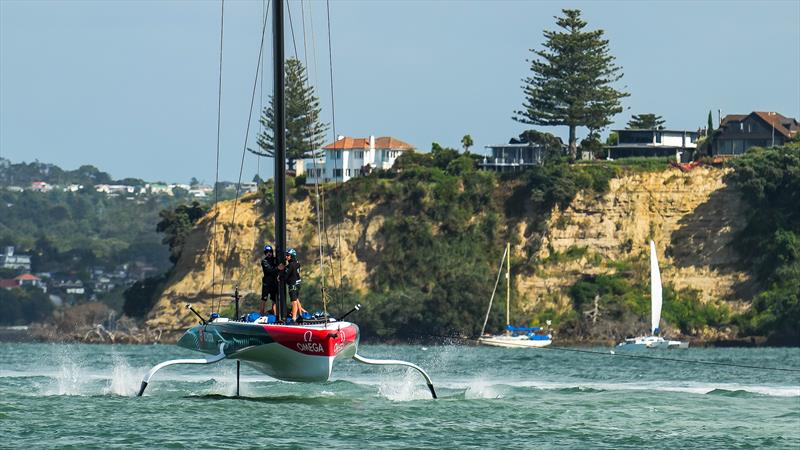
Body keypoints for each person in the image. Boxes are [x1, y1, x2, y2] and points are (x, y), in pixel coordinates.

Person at [280, 247, 305, 321]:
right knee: (296, 299)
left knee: (293, 301)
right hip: (298, 283)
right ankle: (300, 315)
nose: (286, 256)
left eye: (288, 255)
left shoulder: (290, 265)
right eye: (286, 255)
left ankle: (293, 318)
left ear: (292, 256)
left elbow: (286, 276)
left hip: (293, 285)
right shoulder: (297, 263)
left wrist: (280, 275)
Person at [260, 245, 279, 316]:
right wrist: (278, 268)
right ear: (265, 253)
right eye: (267, 252)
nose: (269, 253)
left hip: (274, 282)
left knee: (274, 299)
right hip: (267, 282)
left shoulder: (275, 259)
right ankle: (261, 314)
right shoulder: (264, 261)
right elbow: (270, 270)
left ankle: (275, 315)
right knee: (264, 298)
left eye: (270, 252)